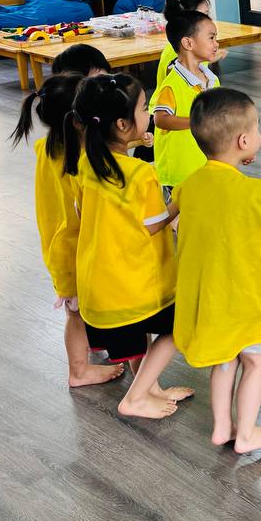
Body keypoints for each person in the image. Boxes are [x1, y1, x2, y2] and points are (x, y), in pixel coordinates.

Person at [173, 88, 261, 453]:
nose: (259, 133)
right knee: (255, 363)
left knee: (224, 363)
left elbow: (177, 222)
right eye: (257, 126)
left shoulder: (189, 185)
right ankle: (246, 434)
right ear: (244, 141)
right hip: (248, 300)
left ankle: (222, 427)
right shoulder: (260, 193)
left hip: (212, 300)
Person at [63, 73, 191, 419]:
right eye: (144, 108)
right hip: (135, 282)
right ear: (122, 125)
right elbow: (155, 224)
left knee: (137, 337)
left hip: (102, 284)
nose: (148, 113)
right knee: (178, 327)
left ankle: (149, 389)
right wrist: (180, 198)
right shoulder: (140, 174)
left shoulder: (86, 163)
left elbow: (84, 210)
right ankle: (136, 397)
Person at [10, 74, 123, 388]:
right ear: (77, 120)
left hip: (58, 248)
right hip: (78, 251)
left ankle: (88, 358)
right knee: (77, 314)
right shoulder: (82, 161)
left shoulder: (46, 148)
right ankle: (79, 371)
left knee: (76, 311)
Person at [150, 10, 221, 194]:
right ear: (188, 43)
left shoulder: (212, 80)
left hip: (204, 167)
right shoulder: (172, 84)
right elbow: (160, 119)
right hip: (180, 174)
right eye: (211, 38)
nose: (216, 43)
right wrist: (196, 122)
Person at [157, 0, 225, 83]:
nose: (210, 19)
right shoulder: (176, 53)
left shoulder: (195, 48)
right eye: (204, 15)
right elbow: (177, 78)